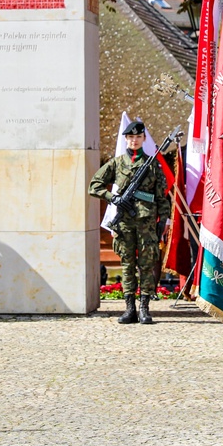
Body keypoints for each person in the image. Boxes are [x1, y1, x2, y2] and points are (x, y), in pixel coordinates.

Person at [88, 120, 170, 325]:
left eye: (138, 137)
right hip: (124, 222)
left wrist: (163, 221)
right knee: (127, 265)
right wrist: (112, 198)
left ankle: (144, 308)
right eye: (131, 137)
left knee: (147, 264)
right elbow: (94, 186)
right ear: (126, 139)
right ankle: (129, 309)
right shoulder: (116, 164)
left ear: (143, 139)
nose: (134, 140)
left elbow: (162, 197)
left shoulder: (152, 165)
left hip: (147, 222)